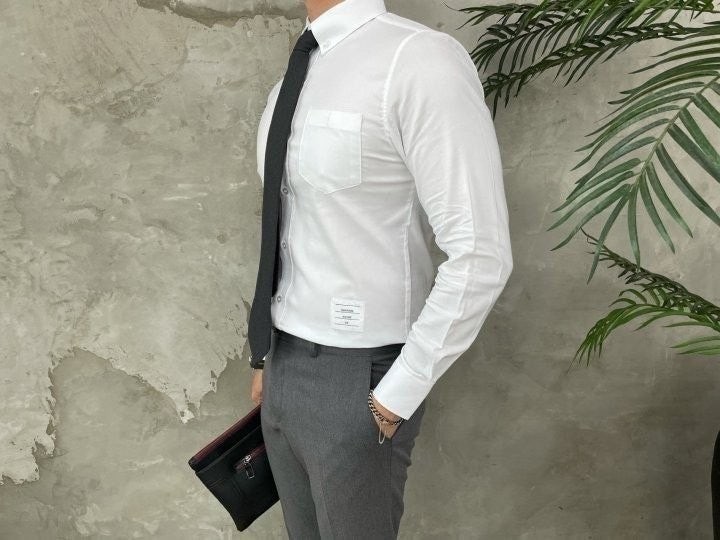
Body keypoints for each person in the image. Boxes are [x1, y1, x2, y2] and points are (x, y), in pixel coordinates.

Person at [249, 0, 513, 537]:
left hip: (361, 378)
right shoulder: (297, 74)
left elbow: (481, 252)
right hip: (283, 364)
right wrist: (265, 356)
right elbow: (297, 226)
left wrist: (393, 398)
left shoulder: (418, 60)